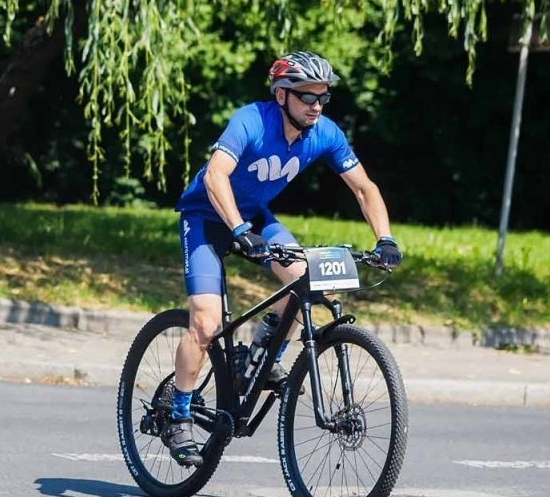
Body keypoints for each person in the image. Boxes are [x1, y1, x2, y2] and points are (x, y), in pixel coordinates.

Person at [163, 50, 403, 467]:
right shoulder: (251, 120)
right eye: (307, 97)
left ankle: (259, 357)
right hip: (206, 217)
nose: (316, 105)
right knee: (206, 321)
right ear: (281, 96)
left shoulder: (324, 133)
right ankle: (177, 412)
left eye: (323, 97)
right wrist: (238, 230)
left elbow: (365, 189)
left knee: (307, 279)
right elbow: (216, 175)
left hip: (255, 217)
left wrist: (385, 239)